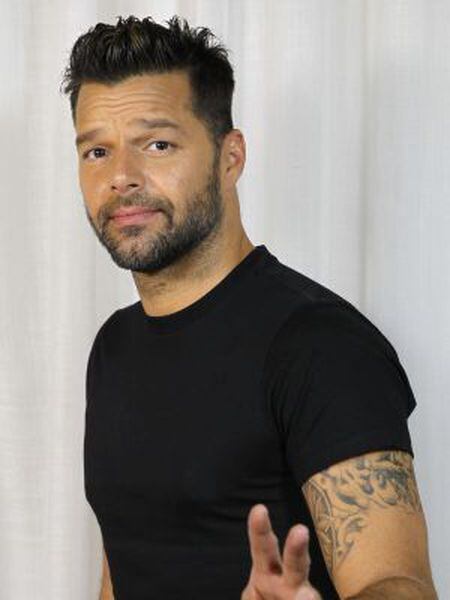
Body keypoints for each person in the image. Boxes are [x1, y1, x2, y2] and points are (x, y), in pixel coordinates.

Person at [60, 15, 437, 600]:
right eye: (97, 151)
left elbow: (401, 583)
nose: (121, 177)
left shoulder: (320, 344)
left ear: (230, 157)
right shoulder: (114, 346)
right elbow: (128, 564)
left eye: (157, 144)